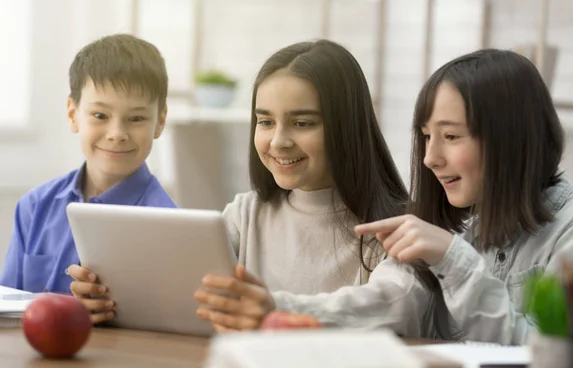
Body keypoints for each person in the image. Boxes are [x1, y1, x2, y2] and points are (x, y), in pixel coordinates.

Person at [194, 39, 438, 336]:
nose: (278, 141)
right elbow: (184, 286)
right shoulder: (245, 215)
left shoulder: (399, 227)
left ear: (346, 127)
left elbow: (396, 304)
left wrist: (278, 312)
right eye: (266, 121)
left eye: (301, 123)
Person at [356, 49, 573, 344]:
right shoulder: (461, 229)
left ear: (510, 139)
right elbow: (380, 302)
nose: (429, 159)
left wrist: (454, 260)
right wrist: (291, 309)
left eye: (451, 136)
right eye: (426, 136)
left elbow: (551, 353)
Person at [1, 33, 177, 323]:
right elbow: (7, 309)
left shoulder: (169, 226)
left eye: (136, 118)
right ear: (73, 114)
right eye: (100, 115)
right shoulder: (33, 207)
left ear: (159, 121)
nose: (117, 133)